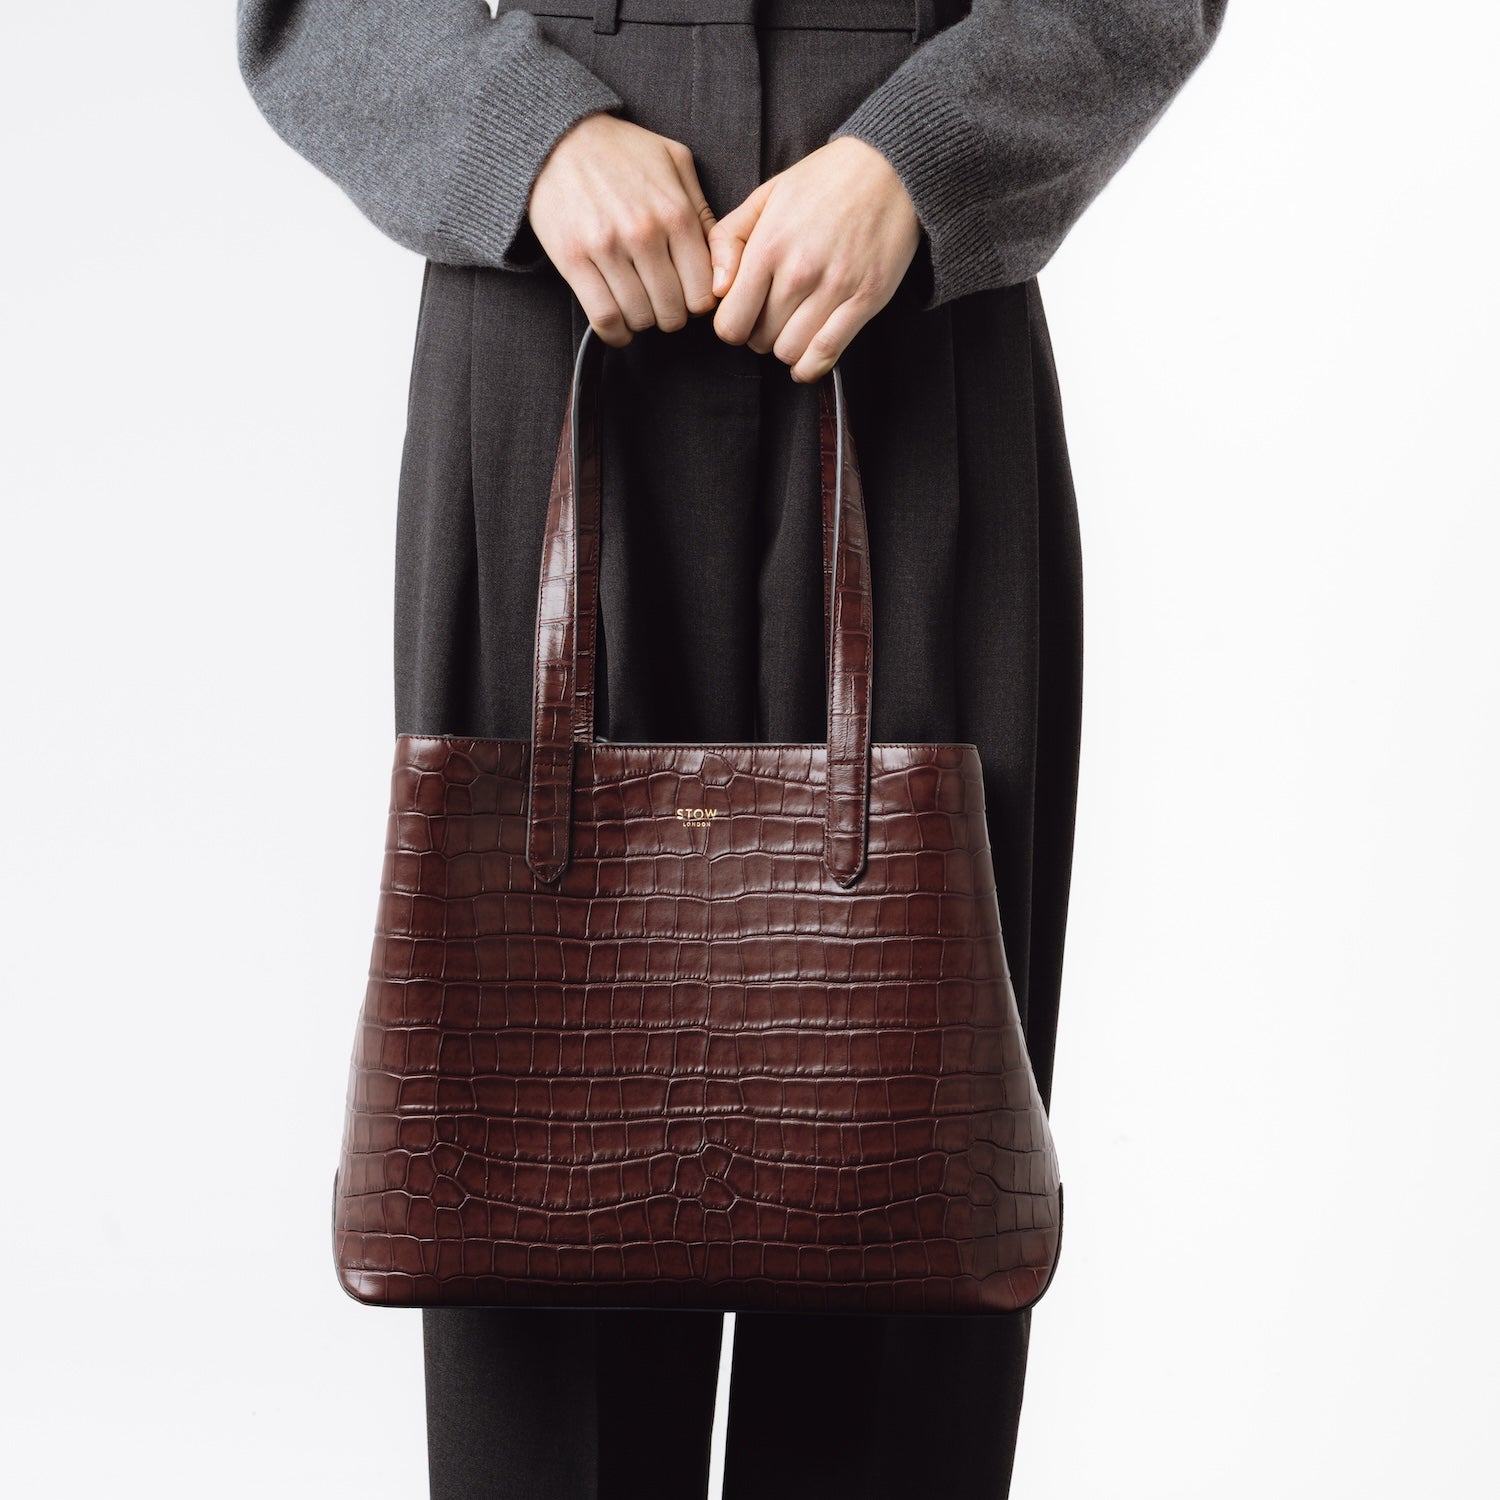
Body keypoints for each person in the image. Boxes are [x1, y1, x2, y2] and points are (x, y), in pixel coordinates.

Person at [236, 2, 1226, 1496]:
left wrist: (922, 156)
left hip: (919, 319)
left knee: (905, 1191)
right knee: (532, 1190)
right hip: (546, 294)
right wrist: (526, 135)